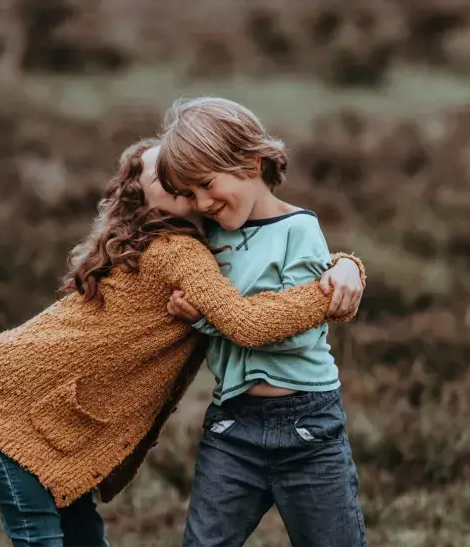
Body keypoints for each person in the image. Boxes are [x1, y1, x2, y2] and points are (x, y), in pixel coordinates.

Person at [0, 137, 366, 547]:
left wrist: (345, 265)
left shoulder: (210, 236)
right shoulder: (177, 250)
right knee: (40, 536)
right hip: (4, 399)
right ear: (142, 198)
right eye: (161, 173)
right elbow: (248, 320)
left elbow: (264, 259)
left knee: (82, 535)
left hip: (34, 399)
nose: (174, 174)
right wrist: (327, 293)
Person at [157, 97, 368, 547]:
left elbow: (297, 330)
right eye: (190, 193)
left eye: (207, 185)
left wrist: (207, 319)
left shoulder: (300, 230)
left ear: (251, 162)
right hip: (233, 426)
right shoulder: (209, 239)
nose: (202, 202)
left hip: (309, 427)